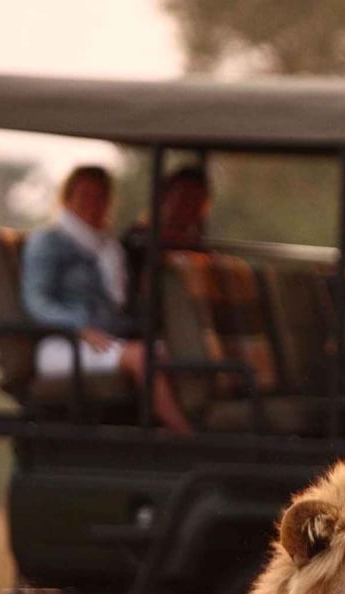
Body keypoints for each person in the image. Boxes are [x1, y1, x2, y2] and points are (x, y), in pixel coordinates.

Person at [19, 165, 192, 434]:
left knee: (171, 350)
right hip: (64, 343)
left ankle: (177, 425)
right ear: (68, 199)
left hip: (107, 339)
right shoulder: (48, 242)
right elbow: (37, 302)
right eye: (85, 196)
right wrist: (78, 327)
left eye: (101, 197)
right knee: (143, 356)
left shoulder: (109, 248)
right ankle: (186, 436)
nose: (93, 204)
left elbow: (120, 307)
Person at [121, 164, 211, 310]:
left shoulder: (199, 249)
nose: (189, 206)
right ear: (164, 198)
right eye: (183, 197)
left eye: (197, 200)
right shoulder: (138, 241)